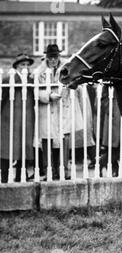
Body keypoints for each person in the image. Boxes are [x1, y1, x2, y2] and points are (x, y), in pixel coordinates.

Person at [36, 44, 83, 180]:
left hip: (64, 108)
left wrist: (72, 86)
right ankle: (48, 171)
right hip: (47, 110)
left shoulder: (66, 68)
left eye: (55, 57)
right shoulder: (40, 72)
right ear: (46, 57)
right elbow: (36, 91)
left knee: (64, 141)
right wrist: (48, 96)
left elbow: (75, 83)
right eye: (50, 57)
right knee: (47, 141)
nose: (53, 60)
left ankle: (64, 170)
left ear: (59, 56)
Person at [1, 53, 35, 183]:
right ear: (16, 66)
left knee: (24, 147)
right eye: (22, 65)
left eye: (27, 65)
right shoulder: (8, 80)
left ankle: (22, 175)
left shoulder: (32, 81)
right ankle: (4, 177)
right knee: (6, 148)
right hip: (9, 120)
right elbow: (2, 99)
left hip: (26, 120)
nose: (25, 67)